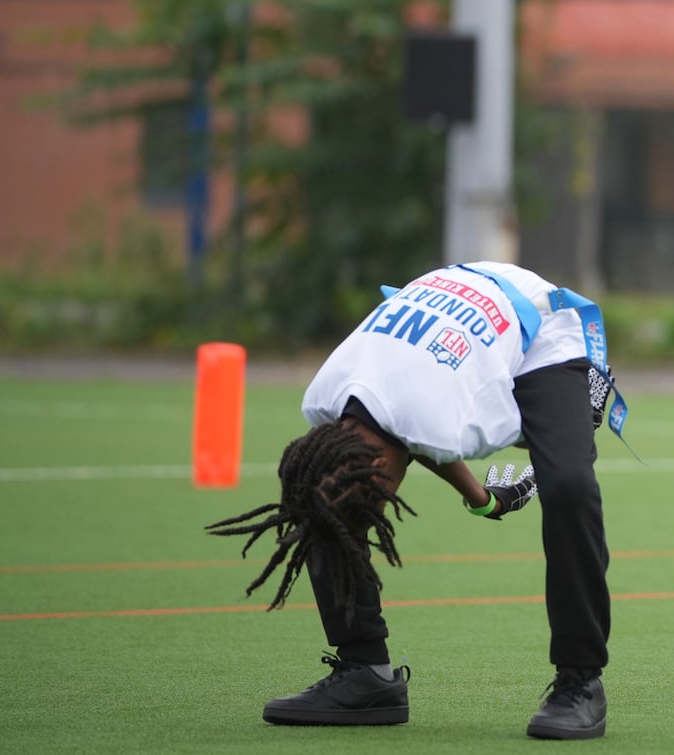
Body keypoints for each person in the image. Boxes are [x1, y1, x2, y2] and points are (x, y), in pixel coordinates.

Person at [206, 261, 616, 739]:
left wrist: (553, 439)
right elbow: (418, 435)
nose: (380, 506)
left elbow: (428, 432)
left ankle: (581, 681)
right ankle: (365, 673)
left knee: (568, 483)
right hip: (447, 325)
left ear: (388, 459)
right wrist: (487, 500)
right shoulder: (327, 401)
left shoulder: (436, 416)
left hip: (538, 325)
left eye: (376, 494)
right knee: (321, 503)